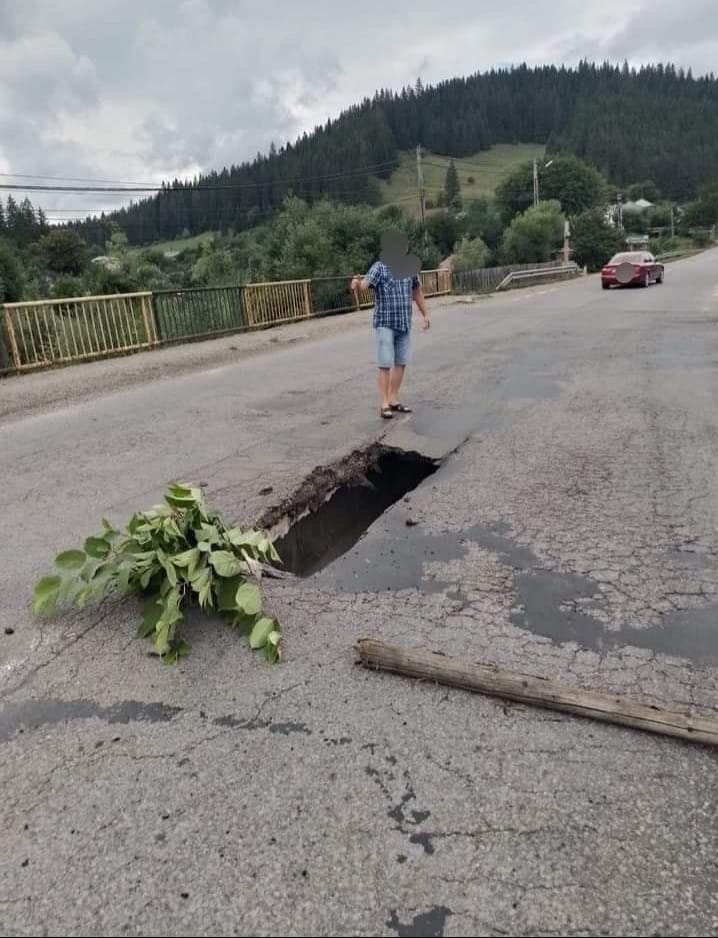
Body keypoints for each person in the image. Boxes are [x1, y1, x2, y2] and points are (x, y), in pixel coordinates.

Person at [350, 255, 430, 419]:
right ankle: (384, 403)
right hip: (385, 323)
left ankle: (393, 398)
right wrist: (357, 285)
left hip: (403, 322)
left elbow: (417, 292)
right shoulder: (379, 267)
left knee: (401, 362)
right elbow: (365, 285)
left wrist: (425, 314)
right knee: (385, 362)